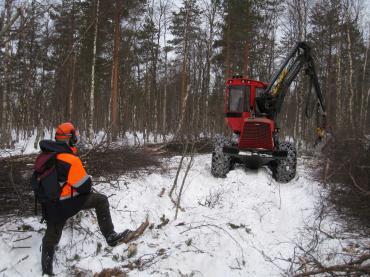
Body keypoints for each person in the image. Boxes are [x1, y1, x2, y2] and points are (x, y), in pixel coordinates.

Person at [37, 122, 132, 276]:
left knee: (51, 237)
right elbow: (85, 187)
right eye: (75, 137)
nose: (76, 139)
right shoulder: (71, 160)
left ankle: (46, 271)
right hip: (66, 202)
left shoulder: (46, 155)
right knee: (101, 200)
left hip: (49, 203)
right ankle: (111, 236)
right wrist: (85, 177)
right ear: (70, 139)